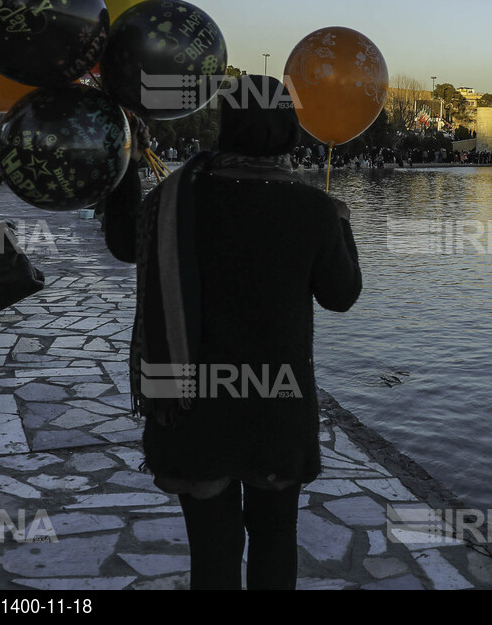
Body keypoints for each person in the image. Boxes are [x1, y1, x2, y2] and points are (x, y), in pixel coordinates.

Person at [104, 75, 362, 590]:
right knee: (274, 540)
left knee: (212, 552)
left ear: (227, 126)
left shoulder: (176, 201)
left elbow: (122, 242)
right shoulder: (309, 208)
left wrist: (127, 163)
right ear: (289, 128)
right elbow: (342, 295)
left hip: (194, 406)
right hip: (274, 404)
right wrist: (340, 223)